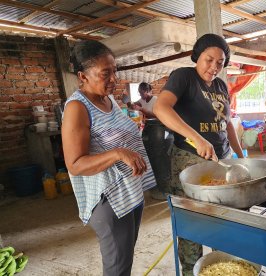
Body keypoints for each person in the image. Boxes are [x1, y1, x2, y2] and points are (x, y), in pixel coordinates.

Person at [62, 40, 156, 276]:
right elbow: (75, 164)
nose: (114, 79)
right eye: (106, 73)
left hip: (129, 193)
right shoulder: (77, 107)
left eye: (114, 71)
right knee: (117, 266)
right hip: (108, 200)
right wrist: (117, 153)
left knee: (124, 259)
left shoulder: (109, 99)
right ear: (83, 76)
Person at [153, 33, 244, 276]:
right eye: (209, 59)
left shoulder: (221, 86)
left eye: (220, 62)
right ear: (197, 56)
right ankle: (191, 270)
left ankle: (220, 267)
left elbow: (228, 124)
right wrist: (197, 138)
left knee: (222, 221)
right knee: (193, 224)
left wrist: (239, 154)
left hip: (221, 161)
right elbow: (160, 108)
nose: (214, 67)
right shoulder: (184, 77)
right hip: (189, 163)